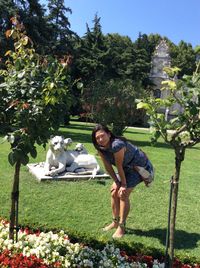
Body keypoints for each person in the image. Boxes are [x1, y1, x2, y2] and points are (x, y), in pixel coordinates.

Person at [92, 124, 154, 238]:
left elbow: (118, 166)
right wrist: (116, 181)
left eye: (102, 136)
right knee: (114, 191)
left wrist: (123, 185)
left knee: (123, 194)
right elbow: (108, 167)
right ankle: (115, 222)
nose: (100, 139)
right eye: (97, 138)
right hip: (126, 168)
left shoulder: (117, 145)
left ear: (109, 134)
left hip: (139, 167)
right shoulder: (100, 148)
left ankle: (121, 226)